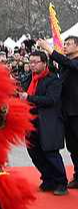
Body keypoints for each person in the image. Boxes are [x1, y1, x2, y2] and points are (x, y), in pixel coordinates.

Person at [21, 51, 68, 195]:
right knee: (34, 152)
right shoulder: (28, 78)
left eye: (36, 62)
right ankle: (48, 179)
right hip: (30, 121)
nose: (32, 65)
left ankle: (61, 182)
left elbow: (52, 100)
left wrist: (29, 97)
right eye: (30, 62)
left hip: (48, 122)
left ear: (44, 63)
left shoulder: (53, 80)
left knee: (50, 152)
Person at [40, 36, 78, 188]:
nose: (66, 46)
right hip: (66, 111)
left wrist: (51, 49)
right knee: (73, 147)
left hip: (77, 111)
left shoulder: (74, 63)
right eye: (65, 44)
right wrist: (48, 55)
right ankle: (77, 174)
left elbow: (68, 63)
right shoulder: (65, 65)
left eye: (69, 44)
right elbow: (57, 71)